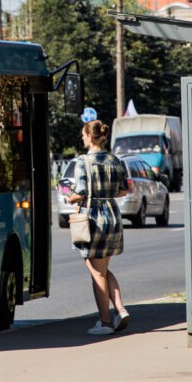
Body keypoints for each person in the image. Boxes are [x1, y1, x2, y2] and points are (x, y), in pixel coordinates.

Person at [65, 119, 131, 335]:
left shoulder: (83, 162)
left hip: (93, 218)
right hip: (112, 216)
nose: (82, 138)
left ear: (90, 136)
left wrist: (67, 195)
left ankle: (104, 322)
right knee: (102, 269)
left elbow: (81, 192)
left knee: (96, 273)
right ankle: (120, 309)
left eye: (84, 135)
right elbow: (123, 190)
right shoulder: (115, 160)